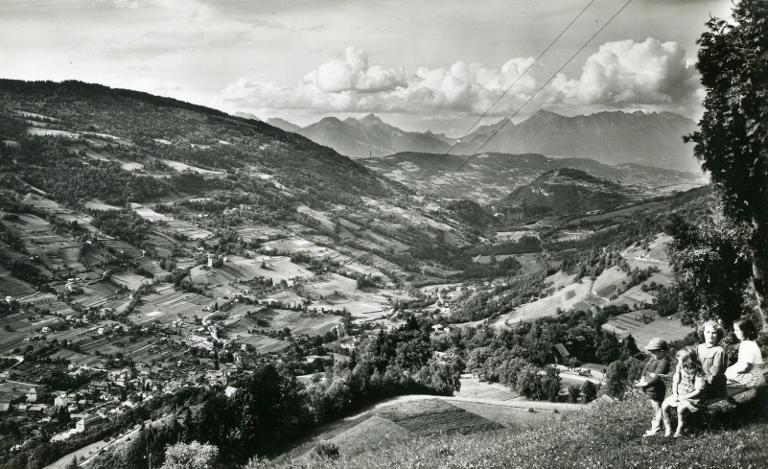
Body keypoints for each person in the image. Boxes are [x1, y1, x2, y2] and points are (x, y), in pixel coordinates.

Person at [661, 346, 706, 438]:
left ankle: (679, 430)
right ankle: (668, 428)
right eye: (679, 360)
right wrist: (675, 393)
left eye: (682, 360)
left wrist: (684, 397)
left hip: (693, 397)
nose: (679, 363)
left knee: (680, 409)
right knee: (664, 405)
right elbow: (675, 381)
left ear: (690, 360)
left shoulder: (698, 372)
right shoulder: (680, 367)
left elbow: (698, 390)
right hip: (679, 394)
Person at [634, 338, 670, 436]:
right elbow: (646, 369)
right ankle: (658, 426)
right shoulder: (655, 358)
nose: (651, 353)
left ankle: (657, 429)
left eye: (654, 351)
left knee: (658, 409)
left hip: (656, 390)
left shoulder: (664, 362)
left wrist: (645, 383)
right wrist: (642, 378)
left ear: (662, 352)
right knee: (655, 408)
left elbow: (657, 376)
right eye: (651, 351)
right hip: (651, 388)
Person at [725, 318, 765, 387]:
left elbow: (746, 367)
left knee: (724, 377)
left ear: (746, 331)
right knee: (727, 373)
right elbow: (741, 363)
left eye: (737, 330)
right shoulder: (750, 343)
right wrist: (730, 369)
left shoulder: (747, 345)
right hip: (756, 376)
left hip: (753, 378)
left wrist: (733, 372)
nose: (734, 332)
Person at [696, 320, 727, 398]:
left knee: (691, 395)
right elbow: (694, 366)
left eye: (714, 333)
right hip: (700, 382)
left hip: (714, 386)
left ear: (718, 335)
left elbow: (714, 374)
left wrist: (700, 381)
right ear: (703, 333)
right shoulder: (699, 348)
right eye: (707, 332)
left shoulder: (719, 351)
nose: (710, 335)